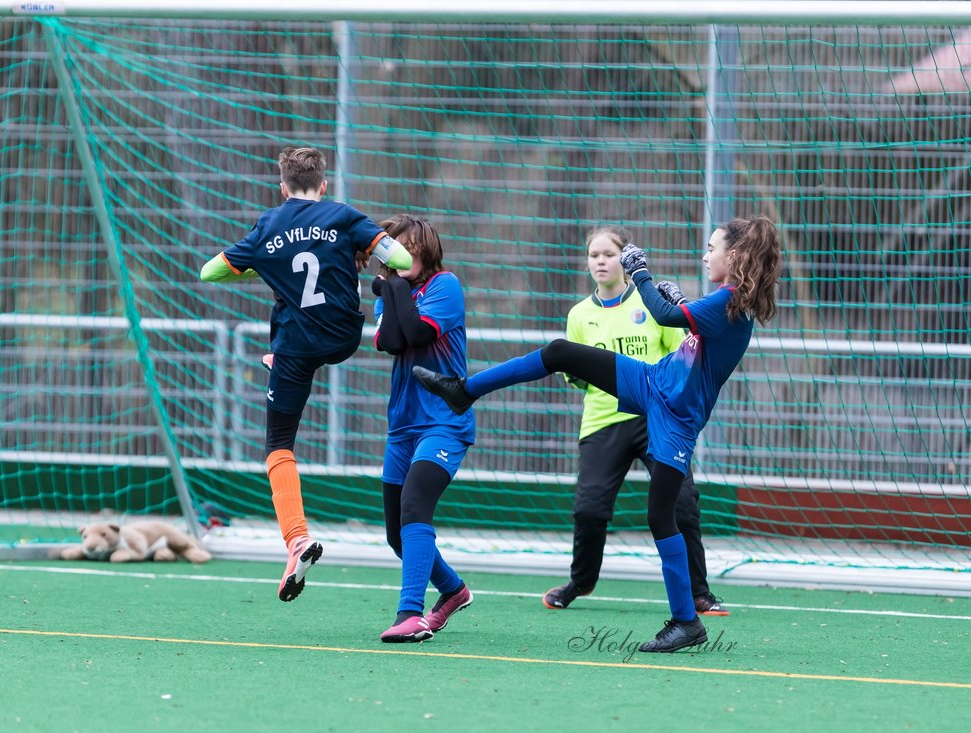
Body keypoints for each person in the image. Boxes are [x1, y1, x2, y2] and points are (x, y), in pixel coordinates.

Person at [415, 216, 780, 652]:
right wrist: (679, 297)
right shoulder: (726, 300)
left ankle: (687, 621)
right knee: (558, 352)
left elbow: (665, 315)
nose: (705, 255)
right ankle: (464, 391)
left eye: (711, 248)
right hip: (653, 382)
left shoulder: (727, 304)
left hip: (675, 418)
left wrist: (640, 270)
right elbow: (688, 323)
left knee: (661, 516)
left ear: (735, 257)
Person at [200, 146, 412, 602]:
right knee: (293, 338)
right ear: (324, 184)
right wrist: (365, 252)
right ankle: (275, 358)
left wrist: (262, 265)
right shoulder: (342, 214)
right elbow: (401, 261)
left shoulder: (267, 225)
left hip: (296, 348)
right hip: (343, 338)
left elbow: (209, 272)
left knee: (279, 445)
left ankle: (296, 539)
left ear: (282, 187)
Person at [544, 226, 726, 617]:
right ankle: (582, 580)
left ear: (624, 259)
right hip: (603, 421)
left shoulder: (649, 303)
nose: (600, 262)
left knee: (682, 504)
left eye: (608, 254)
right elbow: (574, 376)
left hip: (653, 417)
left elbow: (679, 359)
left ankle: (698, 593)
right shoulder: (579, 315)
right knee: (589, 510)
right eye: (594, 255)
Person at [370, 214, 474, 643]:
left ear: (426, 248)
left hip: (445, 421)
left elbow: (414, 331)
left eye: (410, 246)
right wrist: (392, 290)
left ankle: (410, 614)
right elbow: (392, 342)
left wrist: (391, 288)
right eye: (392, 247)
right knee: (397, 534)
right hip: (403, 426)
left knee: (415, 508)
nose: (402, 254)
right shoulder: (392, 295)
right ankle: (453, 591)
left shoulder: (445, 286)